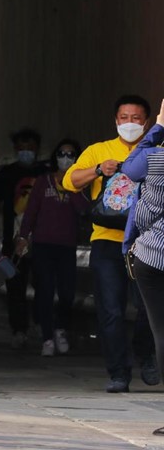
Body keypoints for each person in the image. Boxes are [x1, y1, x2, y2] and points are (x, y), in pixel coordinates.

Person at [63, 94, 158, 393]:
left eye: (136, 118)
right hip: (107, 241)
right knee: (111, 310)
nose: (130, 124)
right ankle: (119, 372)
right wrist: (97, 170)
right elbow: (70, 180)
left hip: (148, 242)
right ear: (115, 120)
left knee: (149, 308)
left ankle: (146, 353)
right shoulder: (98, 151)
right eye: (124, 118)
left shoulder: (157, 150)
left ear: (148, 122)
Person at [15, 140, 90, 356]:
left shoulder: (79, 183)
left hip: (67, 246)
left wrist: (71, 185)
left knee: (66, 293)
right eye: (62, 153)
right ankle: (47, 336)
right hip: (43, 245)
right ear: (55, 156)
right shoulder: (42, 181)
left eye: (71, 154)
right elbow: (31, 212)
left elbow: (84, 210)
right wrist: (23, 237)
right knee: (45, 291)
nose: (65, 158)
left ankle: (60, 329)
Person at [122, 99, 164, 435]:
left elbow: (129, 168)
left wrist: (158, 129)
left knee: (161, 331)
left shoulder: (155, 158)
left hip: (154, 256)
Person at [0, 128, 47, 349]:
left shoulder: (45, 172)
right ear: (15, 150)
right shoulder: (7, 173)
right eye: (21, 148)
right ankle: (18, 329)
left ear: (37, 149)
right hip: (13, 239)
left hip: (42, 237)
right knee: (15, 285)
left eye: (29, 148)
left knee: (43, 283)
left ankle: (42, 324)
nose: (25, 152)